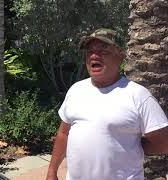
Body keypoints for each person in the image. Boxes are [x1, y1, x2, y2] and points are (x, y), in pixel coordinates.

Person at [46, 28, 168, 180]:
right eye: (90, 51)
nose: (94, 56)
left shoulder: (138, 95)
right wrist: (52, 171)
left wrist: (134, 145)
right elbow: (64, 134)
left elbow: (163, 142)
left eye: (104, 51)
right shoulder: (76, 90)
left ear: (120, 56)